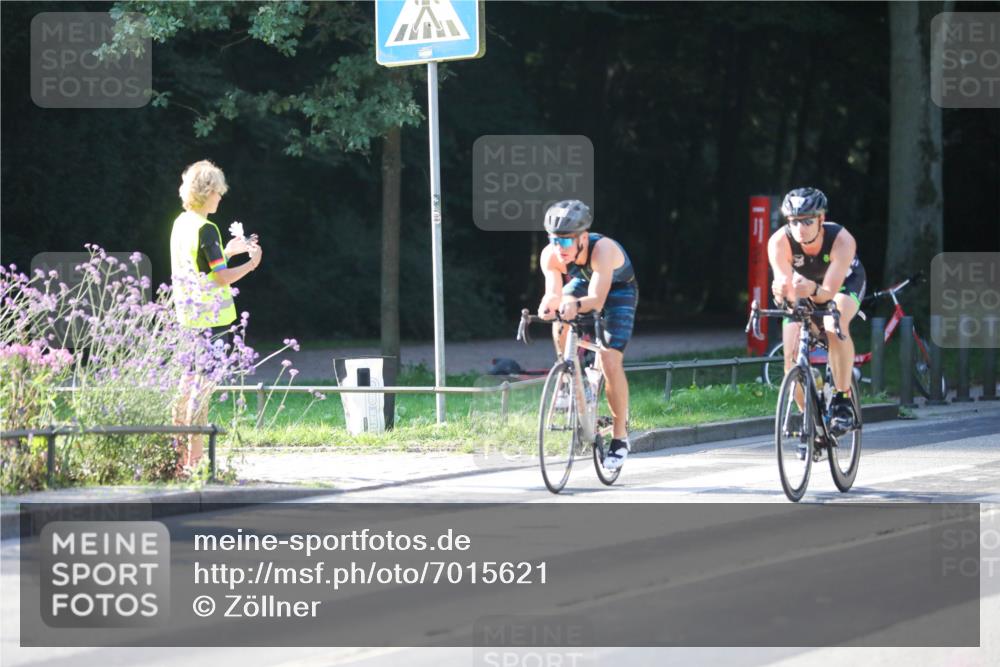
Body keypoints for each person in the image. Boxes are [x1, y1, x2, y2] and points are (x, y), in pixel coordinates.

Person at [170, 159, 262, 471]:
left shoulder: (182, 223)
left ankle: (179, 454)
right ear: (206, 192)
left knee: (186, 385)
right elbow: (220, 278)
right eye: (218, 191)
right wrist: (250, 264)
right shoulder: (207, 229)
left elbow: (202, 265)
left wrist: (229, 251)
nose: (221, 196)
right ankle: (196, 460)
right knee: (202, 390)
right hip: (210, 321)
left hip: (187, 316)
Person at [537, 199, 638, 470]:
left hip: (617, 290)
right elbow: (553, 292)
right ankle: (570, 376)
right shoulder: (551, 255)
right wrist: (549, 304)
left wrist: (573, 305)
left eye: (567, 242)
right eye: (555, 241)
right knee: (560, 319)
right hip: (585, 283)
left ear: (582, 238)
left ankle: (620, 437)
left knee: (609, 360)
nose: (561, 249)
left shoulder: (602, 249)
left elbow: (597, 298)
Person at [768, 187, 866, 436]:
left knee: (835, 325)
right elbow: (785, 286)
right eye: (794, 222)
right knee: (790, 354)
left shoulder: (842, 240)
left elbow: (826, 295)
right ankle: (807, 416)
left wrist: (812, 290)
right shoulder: (779, 242)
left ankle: (843, 400)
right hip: (804, 289)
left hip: (842, 284)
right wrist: (781, 289)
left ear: (821, 219)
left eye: (808, 221)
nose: (800, 228)